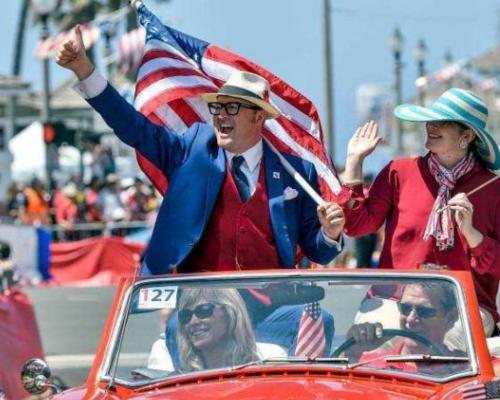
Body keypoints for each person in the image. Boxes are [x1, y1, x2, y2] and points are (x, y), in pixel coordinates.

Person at [55, 26, 345, 274]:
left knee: (323, 325)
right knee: (163, 342)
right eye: (217, 107)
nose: (220, 116)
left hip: (270, 306)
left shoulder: (296, 171)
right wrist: (84, 70)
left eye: (232, 108)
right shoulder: (191, 149)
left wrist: (330, 234)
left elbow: (318, 251)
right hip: (201, 304)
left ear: (258, 117)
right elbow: (132, 127)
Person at [340, 88, 500, 336]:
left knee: (453, 345)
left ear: (467, 135)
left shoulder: (493, 189)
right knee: (373, 343)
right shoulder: (399, 172)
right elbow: (356, 226)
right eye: (430, 119)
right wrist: (354, 161)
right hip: (393, 300)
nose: (430, 126)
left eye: (442, 122)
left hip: (462, 305)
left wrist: (472, 235)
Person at [345, 282, 463, 373]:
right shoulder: (369, 365)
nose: (410, 319)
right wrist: (351, 353)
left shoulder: (465, 369)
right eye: (405, 309)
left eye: (424, 312)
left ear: (450, 318)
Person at [176, 288, 259, 372]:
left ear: (230, 313)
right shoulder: (177, 382)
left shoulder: (260, 374)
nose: (193, 322)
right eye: (186, 315)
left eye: (203, 310)